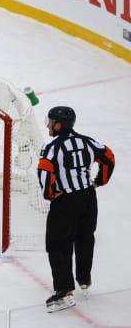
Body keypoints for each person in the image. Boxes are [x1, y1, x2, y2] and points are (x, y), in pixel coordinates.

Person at [38, 106, 115, 313]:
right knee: (85, 238)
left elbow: (45, 172)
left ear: (58, 125)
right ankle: (84, 279)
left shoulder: (52, 146)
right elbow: (108, 157)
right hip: (89, 199)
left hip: (66, 202)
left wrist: (50, 193)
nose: (48, 125)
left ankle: (63, 293)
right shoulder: (87, 141)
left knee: (57, 245)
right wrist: (100, 181)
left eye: (50, 121)